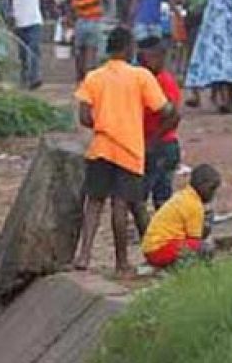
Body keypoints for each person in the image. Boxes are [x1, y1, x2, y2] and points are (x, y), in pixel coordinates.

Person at [73, 27, 177, 278]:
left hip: (101, 147)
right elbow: (166, 110)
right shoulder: (140, 76)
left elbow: (85, 117)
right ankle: (122, 264)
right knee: (120, 205)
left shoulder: (94, 77)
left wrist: (103, 123)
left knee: (94, 203)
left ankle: (84, 255)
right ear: (128, 48)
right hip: (130, 149)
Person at [142, 164, 221, 268]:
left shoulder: (184, 195)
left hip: (152, 248)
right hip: (159, 250)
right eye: (212, 189)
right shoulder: (194, 205)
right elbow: (195, 239)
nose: (213, 194)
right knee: (205, 249)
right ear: (202, 185)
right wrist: (206, 226)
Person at [138, 36, 183, 209]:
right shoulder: (145, 78)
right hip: (153, 143)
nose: (141, 63)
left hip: (162, 144)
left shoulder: (164, 81)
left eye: (145, 59)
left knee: (155, 193)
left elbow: (173, 116)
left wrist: (153, 140)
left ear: (160, 57)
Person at [9, 0, 46, 89]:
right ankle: (24, 76)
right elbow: (10, 1)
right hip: (19, 22)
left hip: (34, 21)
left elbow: (42, 0)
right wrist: (11, 17)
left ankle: (34, 77)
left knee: (34, 49)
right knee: (23, 53)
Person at [69, 0, 109, 82]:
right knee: (91, 52)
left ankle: (80, 75)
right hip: (94, 22)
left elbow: (71, 11)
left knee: (79, 51)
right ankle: (90, 76)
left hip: (80, 22)